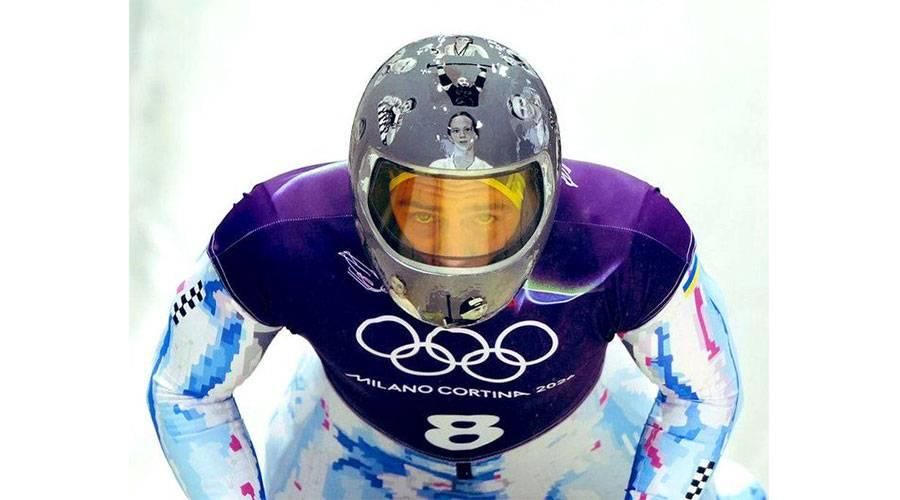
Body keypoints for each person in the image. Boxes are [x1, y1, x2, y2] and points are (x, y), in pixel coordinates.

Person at [147, 34, 766, 499]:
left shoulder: (279, 233)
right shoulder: (628, 237)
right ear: (362, 189)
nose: (453, 251)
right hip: (576, 441)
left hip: (347, 446)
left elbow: (187, 390)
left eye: (487, 213)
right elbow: (703, 394)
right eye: (422, 212)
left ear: (549, 191)